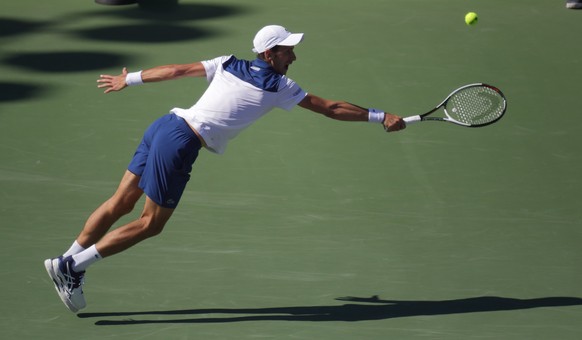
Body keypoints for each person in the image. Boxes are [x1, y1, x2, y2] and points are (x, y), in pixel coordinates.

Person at [44, 24, 406, 313]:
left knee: (120, 202)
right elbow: (331, 107)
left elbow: (176, 70)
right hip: (181, 143)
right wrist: (381, 116)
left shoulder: (228, 61)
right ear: (270, 53)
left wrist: (131, 78)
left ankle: (66, 257)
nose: (293, 56)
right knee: (149, 223)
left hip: (163, 126)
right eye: (287, 50)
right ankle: (73, 268)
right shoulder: (280, 85)